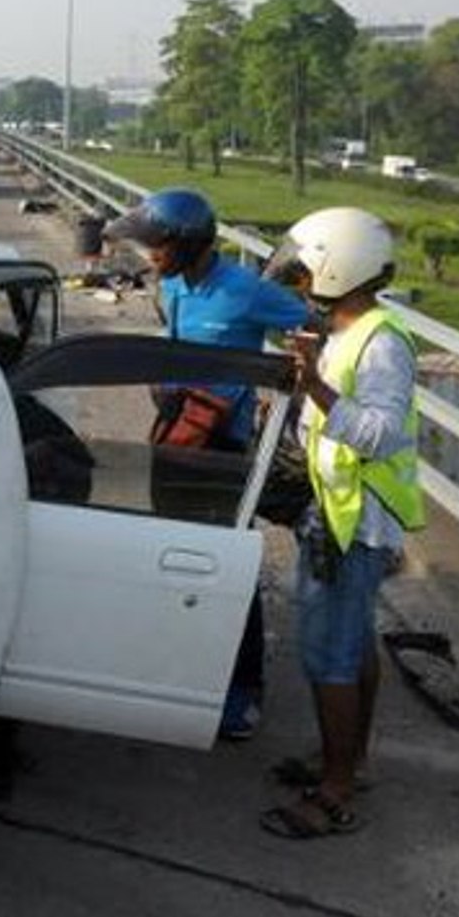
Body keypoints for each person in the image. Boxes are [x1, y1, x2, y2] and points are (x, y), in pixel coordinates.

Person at [105, 187, 310, 740]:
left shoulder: (246, 291)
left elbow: (314, 326)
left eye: (157, 245)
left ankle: (242, 690)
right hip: (175, 435)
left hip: (222, 447)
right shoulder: (171, 283)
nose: (150, 255)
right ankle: (184, 667)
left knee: (227, 567)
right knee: (173, 555)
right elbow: (170, 338)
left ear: (190, 243)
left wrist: (291, 379)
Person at [257, 207, 422, 841]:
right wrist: (303, 390)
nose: (299, 282)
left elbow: (378, 434)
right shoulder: (344, 332)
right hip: (336, 512)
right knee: (353, 645)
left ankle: (335, 791)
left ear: (337, 267)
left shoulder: (382, 342)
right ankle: (350, 761)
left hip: (355, 524)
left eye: (305, 271)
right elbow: (329, 420)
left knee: (330, 654)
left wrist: (317, 389)